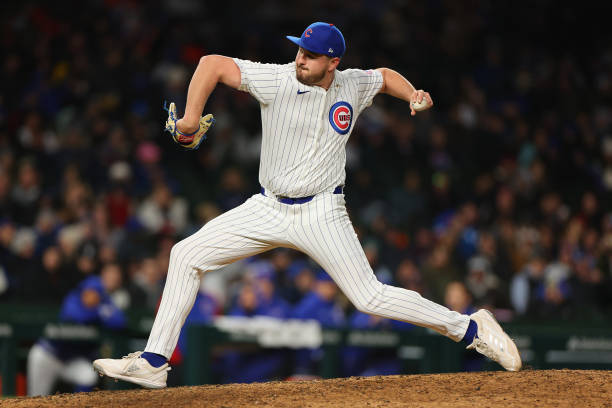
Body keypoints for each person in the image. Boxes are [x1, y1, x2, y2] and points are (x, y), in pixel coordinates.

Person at [93, 21, 521, 388]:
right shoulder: (278, 78)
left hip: (321, 212)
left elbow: (385, 75)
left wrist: (411, 94)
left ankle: (470, 327)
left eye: (312, 55)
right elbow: (211, 65)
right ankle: (154, 362)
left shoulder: (352, 83)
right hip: (268, 207)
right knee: (185, 254)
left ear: (333, 62)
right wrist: (189, 118)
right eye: (300, 49)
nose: (301, 59)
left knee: (369, 297)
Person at [28, 271, 126, 396]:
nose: (91, 296)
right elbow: (74, 315)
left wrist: (98, 311)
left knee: (88, 377)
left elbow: (120, 322)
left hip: (72, 360)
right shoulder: (74, 298)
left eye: (95, 293)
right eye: (88, 292)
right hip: (48, 355)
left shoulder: (104, 302)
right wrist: (99, 314)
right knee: (36, 396)